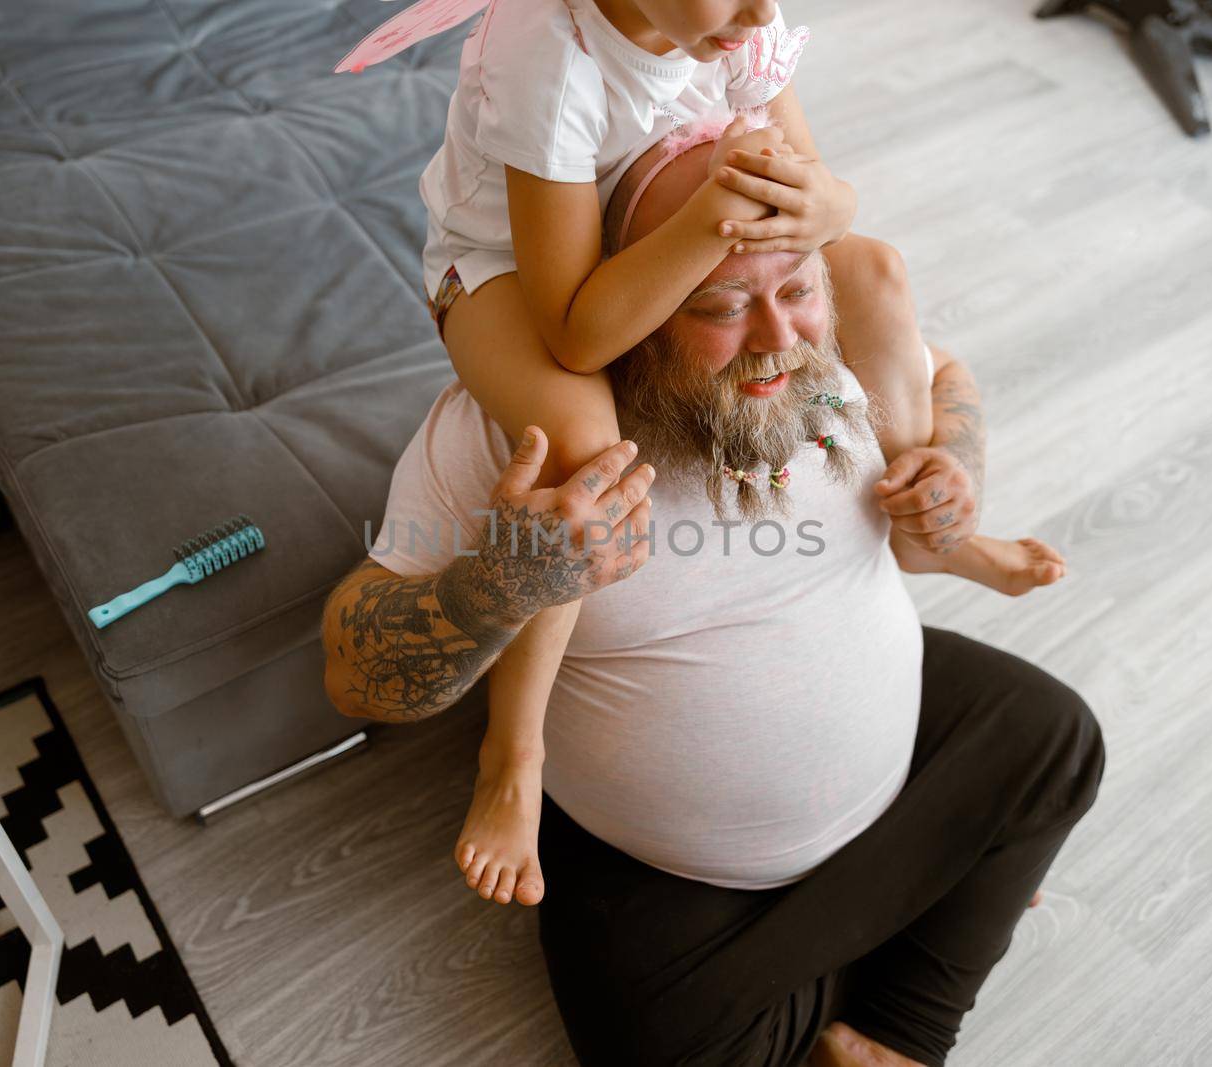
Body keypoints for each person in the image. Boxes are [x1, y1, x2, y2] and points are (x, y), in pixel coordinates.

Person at [321, 132, 1105, 1066]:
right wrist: (496, 585)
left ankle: (895, 1033)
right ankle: (929, 904)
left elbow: (945, 375)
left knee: (1059, 741)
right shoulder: (516, 438)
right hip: (660, 860)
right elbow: (354, 677)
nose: (778, 337)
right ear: (630, 308)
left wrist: (955, 461)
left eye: (798, 289)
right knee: (660, 1042)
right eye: (722, 305)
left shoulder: (836, 342)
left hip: (896, 756)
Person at [419, 0, 1064, 909]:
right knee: (583, 442)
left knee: (875, 273)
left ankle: (925, 524)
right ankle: (512, 755)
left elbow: (828, 200)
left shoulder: (738, 18)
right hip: (510, 273)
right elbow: (576, 335)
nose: (763, 8)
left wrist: (825, 202)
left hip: (654, 207)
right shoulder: (550, 60)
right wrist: (712, 221)